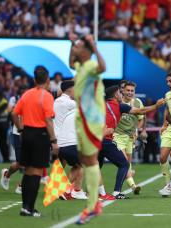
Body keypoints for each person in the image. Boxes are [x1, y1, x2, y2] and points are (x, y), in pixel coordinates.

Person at [69, 33, 107, 225]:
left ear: (85, 51)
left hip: (92, 118)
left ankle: (93, 206)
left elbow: (103, 67)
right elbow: (70, 63)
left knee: (90, 159)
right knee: (84, 159)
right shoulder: (81, 66)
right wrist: (72, 43)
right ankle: (94, 204)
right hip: (83, 117)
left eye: (77, 47)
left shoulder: (91, 65)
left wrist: (93, 44)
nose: (74, 49)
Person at [102, 86, 166, 199]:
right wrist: (156, 106)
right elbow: (141, 111)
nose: (121, 94)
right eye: (119, 92)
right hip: (107, 140)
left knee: (95, 166)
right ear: (116, 96)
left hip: (95, 140)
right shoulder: (120, 106)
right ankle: (117, 192)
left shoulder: (101, 105)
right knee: (124, 164)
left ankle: (85, 191)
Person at [11, 66, 59, 217]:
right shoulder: (47, 96)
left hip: (27, 133)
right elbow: (48, 120)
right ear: (47, 80)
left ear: (33, 80)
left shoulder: (26, 94)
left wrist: (20, 130)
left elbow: (13, 113)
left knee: (28, 171)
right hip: (40, 134)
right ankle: (29, 209)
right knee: (37, 172)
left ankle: (25, 207)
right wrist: (54, 140)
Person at [112, 81, 147, 195]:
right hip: (118, 136)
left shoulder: (137, 102)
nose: (130, 93)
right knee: (124, 162)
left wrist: (136, 129)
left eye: (132, 91)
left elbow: (141, 118)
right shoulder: (117, 102)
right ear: (122, 90)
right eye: (128, 90)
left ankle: (129, 175)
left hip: (130, 138)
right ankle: (133, 186)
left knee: (128, 164)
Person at [0, 85, 28, 194]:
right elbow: (18, 117)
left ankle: (22, 186)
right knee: (21, 163)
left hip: (29, 134)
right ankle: (6, 175)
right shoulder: (20, 103)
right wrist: (22, 131)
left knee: (31, 161)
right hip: (18, 134)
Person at [57, 110, 87, 200]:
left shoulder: (69, 112)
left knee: (61, 167)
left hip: (60, 144)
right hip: (71, 143)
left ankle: (69, 191)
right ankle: (66, 192)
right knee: (77, 166)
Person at [0, 89, 9, 162]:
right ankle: (4, 158)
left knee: (3, 143)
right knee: (1, 143)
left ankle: (6, 158)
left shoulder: (4, 102)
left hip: (3, 126)